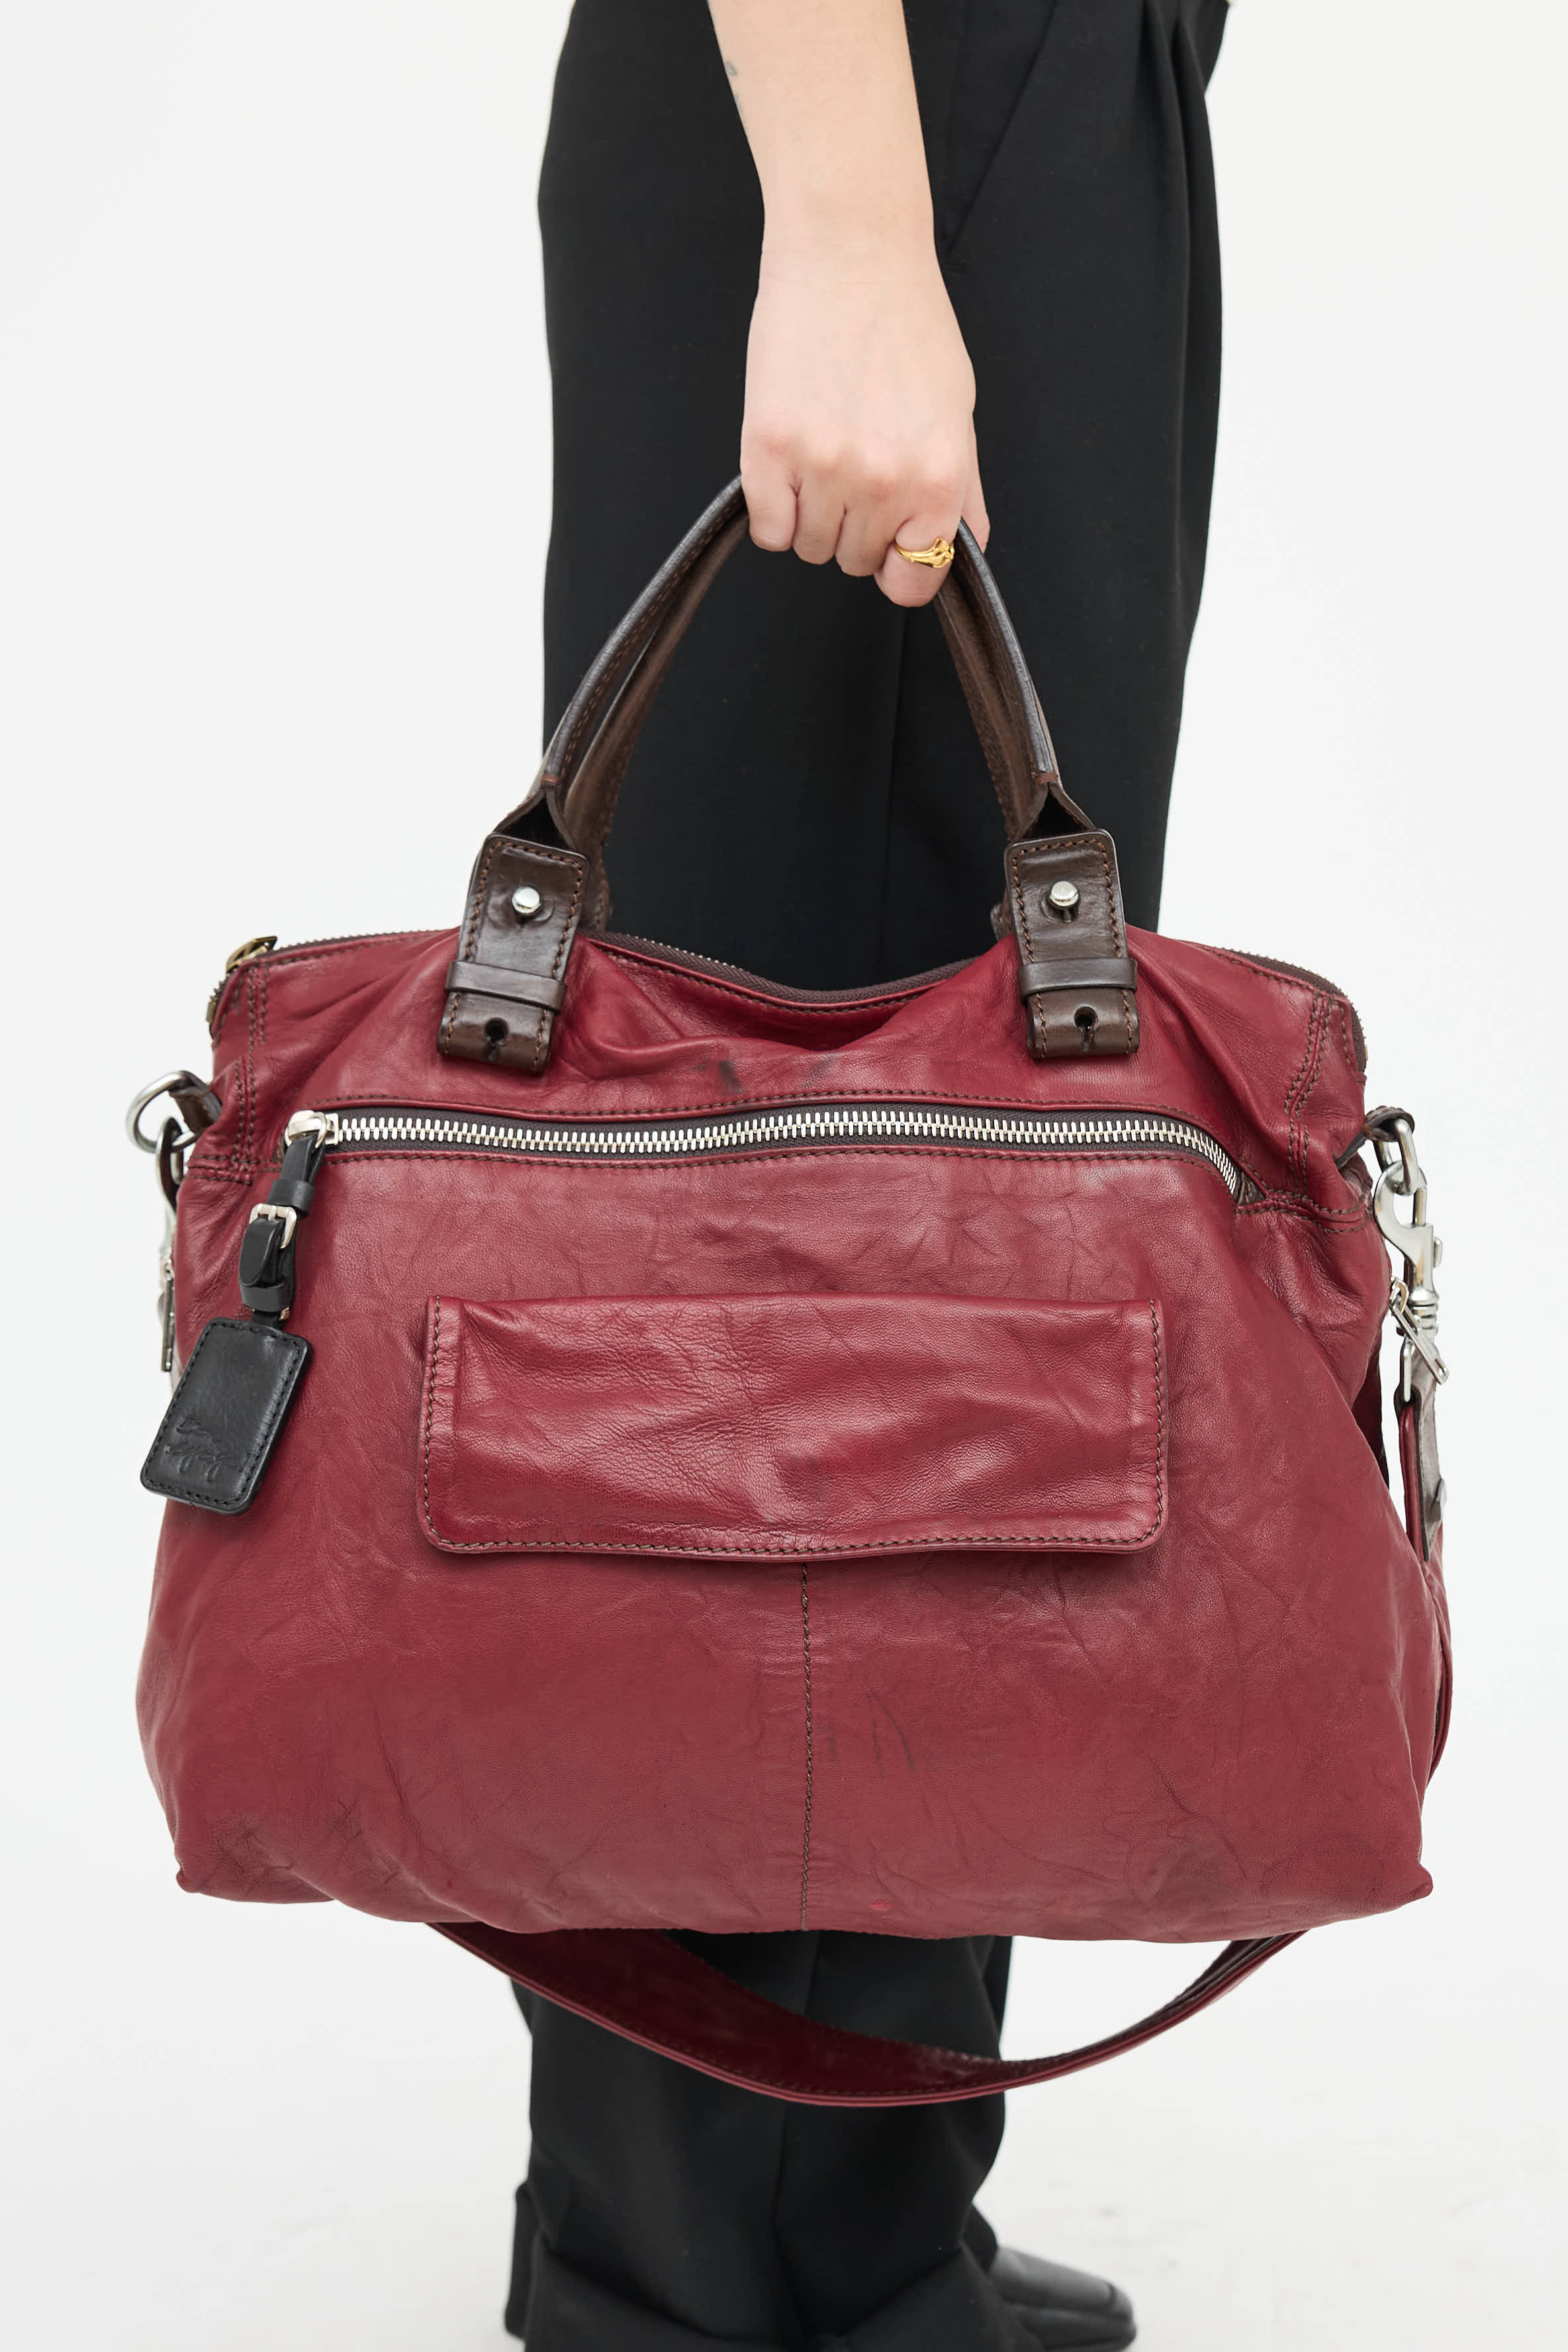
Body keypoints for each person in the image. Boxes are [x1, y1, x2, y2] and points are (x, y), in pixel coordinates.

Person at [509, 4, 1228, 2346]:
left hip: (996, 116)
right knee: (782, 1231)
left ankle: (804, 2221)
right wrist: (846, 229)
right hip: (903, 100)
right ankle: (719, 2273)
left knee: (955, 1223)